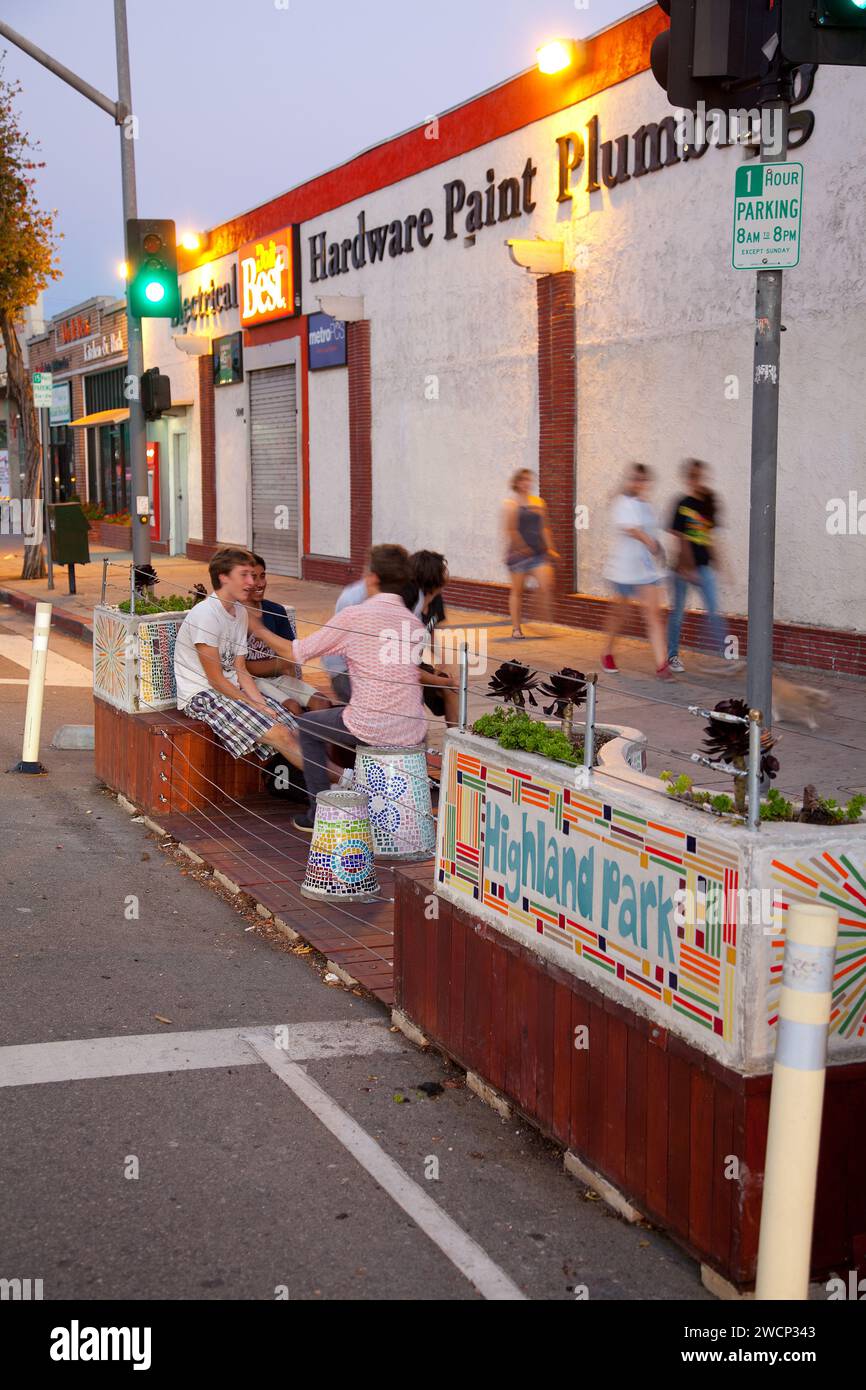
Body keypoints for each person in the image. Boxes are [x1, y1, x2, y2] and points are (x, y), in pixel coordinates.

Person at [249, 544, 428, 832]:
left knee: (307, 726)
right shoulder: (412, 622)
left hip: (371, 723)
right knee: (339, 712)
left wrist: (257, 629)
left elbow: (297, 652)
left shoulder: (356, 615)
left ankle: (318, 812)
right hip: (414, 726)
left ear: (371, 578)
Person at [173, 548, 302, 770]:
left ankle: (338, 784)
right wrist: (253, 704)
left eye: (253, 575)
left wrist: (261, 705)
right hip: (203, 695)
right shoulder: (206, 614)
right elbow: (216, 680)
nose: (252, 582)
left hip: (233, 690)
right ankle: (340, 788)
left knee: (295, 728)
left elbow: (240, 669)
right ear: (224, 577)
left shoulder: (240, 611)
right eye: (244, 575)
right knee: (280, 733)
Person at [601, 464, 672, 680]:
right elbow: (631, 529)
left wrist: (657, 547)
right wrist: (650, 542)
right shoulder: (622, 503)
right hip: (623, 570)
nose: (639, 484)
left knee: (654, 616)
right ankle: (607, 652)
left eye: (643, 480)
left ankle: (662, 665)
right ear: (629, 481)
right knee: (620, 617)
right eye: (636, 479)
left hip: (646, 571)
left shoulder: (647, 506)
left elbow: (651, 530)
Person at [244, 554, 330, 713]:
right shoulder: (234, 614)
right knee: (293, 708)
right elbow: (248, 669)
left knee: (322, 702)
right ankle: (302, 736)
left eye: (262, 576)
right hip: (251, 682)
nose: (260, 583)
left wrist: (289, 675)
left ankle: (316, 737)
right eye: (253, 577)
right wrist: (279, 663)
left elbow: (290, 658)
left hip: (279, 678)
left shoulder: (275, 611)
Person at [666, 459, 728, 673]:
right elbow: (679, 537)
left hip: (704, 566)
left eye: (700, 475)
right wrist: (687, 568)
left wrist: (720, 563)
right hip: (682, 569)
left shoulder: (709, 502)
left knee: (713, 610)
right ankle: (672, 656)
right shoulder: (683, 504)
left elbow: (709, 536)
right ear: (688, 479)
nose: (697, 480)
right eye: (693, 476)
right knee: (678, 614)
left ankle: (720, 657)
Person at [403, 550, 458, 727]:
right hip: (400, 664)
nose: (446, 573)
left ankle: (457, 739)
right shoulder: (408, 603)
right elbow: (407, 667)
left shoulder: (435, 599)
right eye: (443, 570)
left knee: (449, 689)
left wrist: (442, 661)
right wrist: (445, 680)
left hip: (416, 662)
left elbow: (431, 632)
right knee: (446, 683)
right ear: (432, 576)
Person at [503, 468, 558, 638]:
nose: (527, 483)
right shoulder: (510, 504)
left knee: (546, 583)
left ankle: (535, 608)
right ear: (517, 483)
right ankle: (516, 628)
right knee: (517, 591)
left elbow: (544, 527)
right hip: (517, 555)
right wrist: (522, 547)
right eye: (523, 480)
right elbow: (511, 529)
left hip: (538, 553)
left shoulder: (539, 502)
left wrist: (550, 548)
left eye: (529, 480)